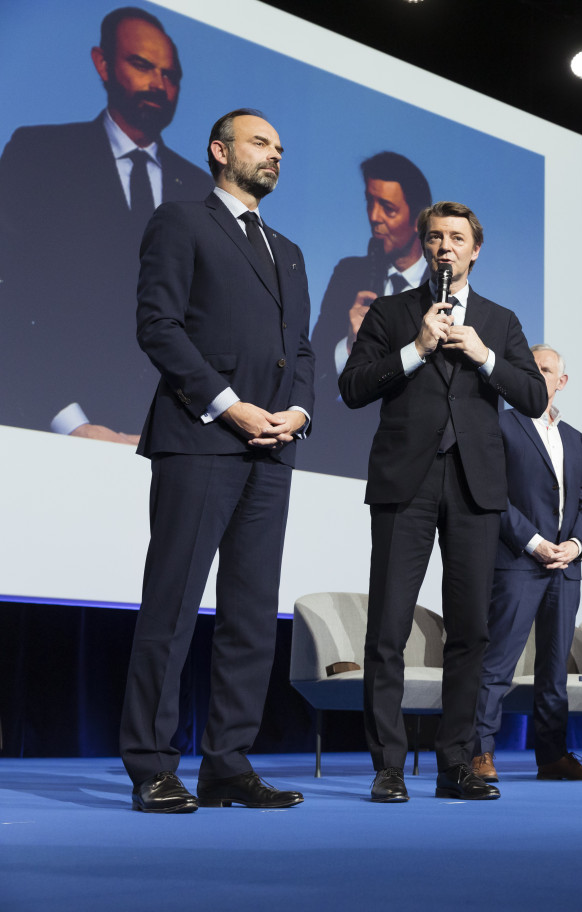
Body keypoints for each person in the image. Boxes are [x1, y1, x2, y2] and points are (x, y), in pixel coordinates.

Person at [120, 108, 313, 813]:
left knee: (250, 615)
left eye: (280, 147)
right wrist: (228, 404)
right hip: (200, 437)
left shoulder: (288, 250)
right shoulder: (181, 222)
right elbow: (158, 327)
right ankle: (151, 765)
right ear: (219, 150)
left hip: (273, 449)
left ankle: (228, 763)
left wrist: (298, 411)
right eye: (262, 142)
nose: (274, 155)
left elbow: (306, 350)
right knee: (171, 607)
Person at [339, 200, 546, 802]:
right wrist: (416, 348)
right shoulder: (393, 310)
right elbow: (352, 388)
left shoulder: (500, 320)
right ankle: (389, 766)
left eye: (457, 238)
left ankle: (456, 762)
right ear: (425, 247)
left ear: (475, 250)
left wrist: (483, 355)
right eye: (435, 237)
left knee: (470, 632)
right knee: (388, 628)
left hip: (477, 486)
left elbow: (533, 397)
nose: (444, 247)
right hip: (406, 481)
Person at [0, 6, 213, 439]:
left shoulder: (199, 189)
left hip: (165, 442)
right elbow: (12, 298)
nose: (159, 84)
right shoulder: (38, 154)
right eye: (142, 65)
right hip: (45, 433)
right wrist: (71, 424)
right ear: (102, 63)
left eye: (171, 76)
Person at [471, 344, 582, 782]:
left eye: (545, 369)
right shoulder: (501, 423)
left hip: (565, 568)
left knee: (554, 669)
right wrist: (533, 541)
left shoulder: (575, 438)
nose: (536, 374)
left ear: (560, 382)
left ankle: (551, 757)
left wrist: (576, 546)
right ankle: (480, 752)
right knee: (498, 664)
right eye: (528, 367)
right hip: (517, 561)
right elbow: (494, 494)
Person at [299, 151, 431, 478]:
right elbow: (312, 376)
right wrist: (349, 346)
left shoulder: (444, 291)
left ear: (419, 221)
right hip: (337, 459)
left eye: (387, 208)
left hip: (410, 465)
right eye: (369, 202)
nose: (374, 217)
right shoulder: (348, 275)